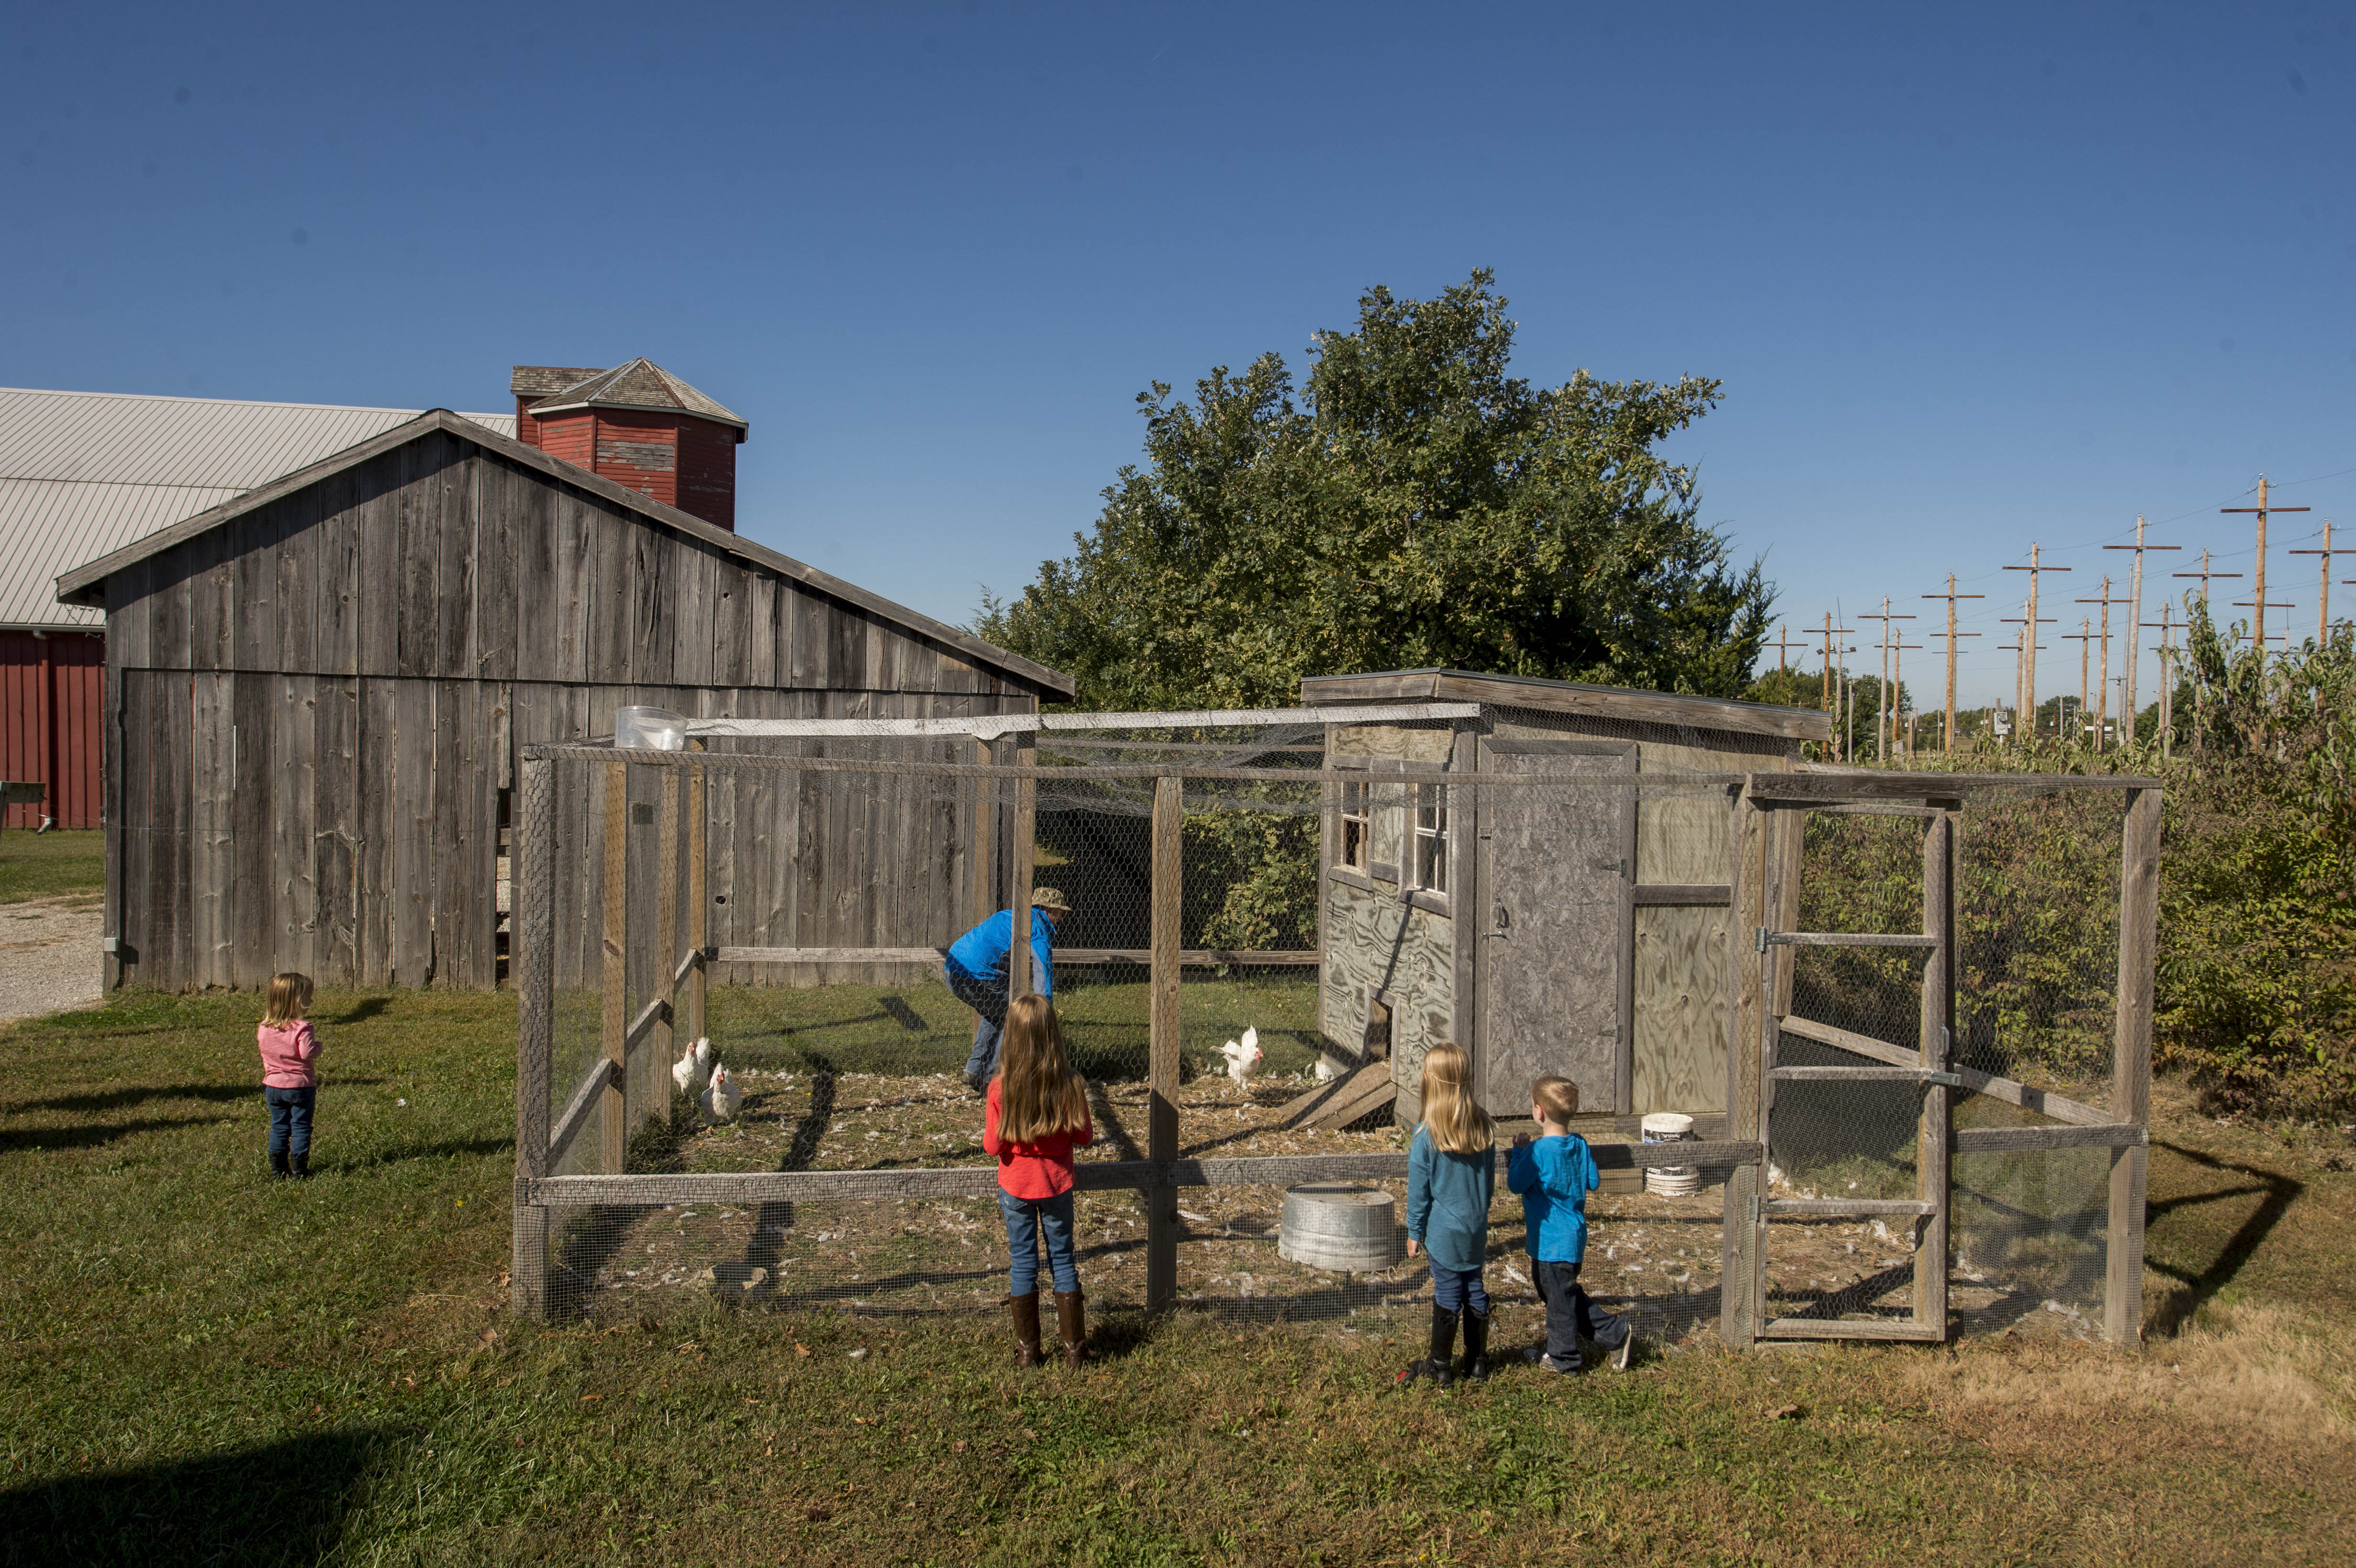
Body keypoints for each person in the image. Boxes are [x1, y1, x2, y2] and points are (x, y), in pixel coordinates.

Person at [982, 994, 1094, 1368]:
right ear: (1054, 1036)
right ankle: (1075, 1352)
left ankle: (1029, 1352)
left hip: (1016, 1188)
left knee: (1023, 1264)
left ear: (1010, 1038)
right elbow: (1085, 1137)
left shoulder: (1000, 1089)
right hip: (1058, 1187)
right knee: (1063, 1260)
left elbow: (992, 1145)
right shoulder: (1071, 1085)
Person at [1509, 1075, 1633, 1373]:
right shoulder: (1579, 1144)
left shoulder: (1538, 1153)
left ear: (1539, 1112)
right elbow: (1592, 1181)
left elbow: (1515, 1184)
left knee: (1560, 1301)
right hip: (1572, 1237)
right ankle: (1612, 1334)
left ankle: (1565, 1358)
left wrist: (1518, 1154)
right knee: (1559, 1294)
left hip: (1552, 1241)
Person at [1398, 1042, 1497, 1388]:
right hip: (1475, 1229)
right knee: (1475, 1288)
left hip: (1443, 1232)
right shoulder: (1483, 1128)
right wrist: (1478, 1214)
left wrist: (1414, 1231)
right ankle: (1477, 1361)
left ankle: (1440, 1365)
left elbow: (1419, 1193)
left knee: (1447, 1293)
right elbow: (1488, 1184)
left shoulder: (1426, 1137)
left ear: (1431, 1082)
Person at [945, 888, 1070, 1093]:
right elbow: (1043, 969)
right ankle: (997, 1080)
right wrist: (1044, 1008)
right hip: (977, 976)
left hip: (953, 969)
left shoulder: (1009, 915)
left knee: (996, 1016)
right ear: (1047, 910)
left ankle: (975, 1072)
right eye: (1060, 911)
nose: (1063, 917)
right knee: (1015, 1017)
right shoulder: (1037, 926)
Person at [257, 971, 322, 1180]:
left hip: (273, 1087)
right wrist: (319, 1047)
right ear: (296, 1001)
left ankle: (278, 1170)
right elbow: (307, 1053)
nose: (311, 1001)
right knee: (301, 1127)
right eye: (307, 997)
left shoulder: (264, 1028)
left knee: (279, 1127)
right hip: (300, 1086)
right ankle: (300, 1171)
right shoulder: (303, 1028)